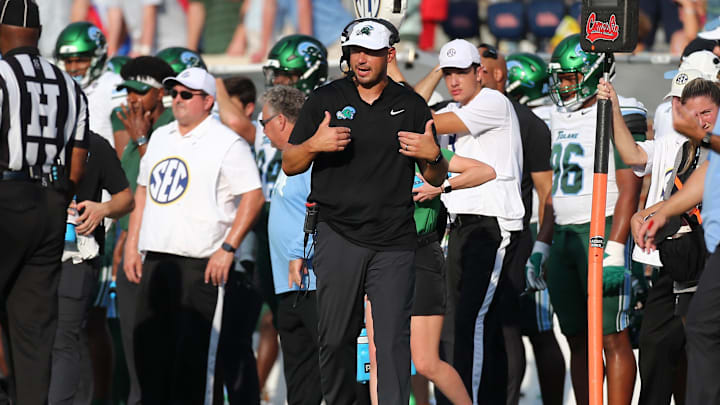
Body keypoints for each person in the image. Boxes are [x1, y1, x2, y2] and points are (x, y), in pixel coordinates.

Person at [282, 18, 448, 404]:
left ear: (388, 55)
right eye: (355, 51)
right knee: (335, 336)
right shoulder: (324, 99)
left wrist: (434, 156)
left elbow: (435, 174)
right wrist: (314, 145)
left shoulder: (410, 105)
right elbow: (291, 163)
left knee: (392, 342)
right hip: (338, 235)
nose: (361, 59)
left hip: (394, 241)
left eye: (371, 52)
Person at [123, 67, 264, 403]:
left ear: (208, 101)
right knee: (150, 357)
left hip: (201, 264)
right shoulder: (161, 136)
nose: (178, 100)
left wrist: (228, 247)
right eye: (174, 94)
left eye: (186, 95)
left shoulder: (226, 141)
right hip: (156, 259)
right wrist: (132, 244)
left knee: (195, 365)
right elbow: (142, 192)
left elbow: (253, 195)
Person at [413, 38, 524, 404]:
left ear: (480, 72)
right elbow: (413, 108)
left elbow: (415, 116)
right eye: (448, 73)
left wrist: (441, 185)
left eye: (461, 71)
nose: (454, 80)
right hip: (462, 223)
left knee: (471, 323)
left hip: (492, 222)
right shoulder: (455, 106)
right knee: (467, 323)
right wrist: (433, 71)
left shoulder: (491, 100)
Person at [600, 73, 717, 405]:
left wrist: (652, 213)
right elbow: (633, 155)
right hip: (676, 265)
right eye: (684, 107)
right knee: (655, 351)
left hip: (707, 265)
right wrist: (613, 109)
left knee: (701, 357)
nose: (699, 119)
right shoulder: (679, 148)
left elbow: (701, 189)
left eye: (706, 112)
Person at [543, 33, 646, 405]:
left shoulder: (622, 108)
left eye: (569, 77)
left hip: (600, 228)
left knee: (610, 335)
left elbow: (629, 183)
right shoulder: (558, 112)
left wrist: (617, 246)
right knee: (575, 336)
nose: (563, 86)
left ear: (591, 73)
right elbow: (554, 186)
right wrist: (543, 242)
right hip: (565, 235)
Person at [0, 1, 89, 403]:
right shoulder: (69, 83)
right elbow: (78, 157)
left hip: (6, 196)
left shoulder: (1, 74)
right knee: (34, 333)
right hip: (50, 202)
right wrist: (58, 198)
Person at [365, 144, 497, 405]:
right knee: (380, 358)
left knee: (425, 362)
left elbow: (486, 171)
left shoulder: (426, 152)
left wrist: (440, 188)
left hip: (421, 254)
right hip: (380, 257)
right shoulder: (371, 149)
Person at [481, 47, 565, 405]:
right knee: (502, 328)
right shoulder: (478, 114)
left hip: (526, 234)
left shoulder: (529, 120)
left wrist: (542, 244)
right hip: (493, 234)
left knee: (533, 330)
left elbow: (548, 190)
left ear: (501, 76)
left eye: (479, 71)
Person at [637, 78, 720, 405]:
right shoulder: (698, 147)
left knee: (700, 330)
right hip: (707, 252)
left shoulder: (705, 137)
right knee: (694, 332)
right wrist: (660, 212)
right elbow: (704, 176)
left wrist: (699, 134)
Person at [48, 130, 134, 405]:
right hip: (30, 253)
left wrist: (103, 208)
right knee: (28, 336)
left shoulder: (95, 144)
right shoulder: (25, 139)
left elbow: (126, 198)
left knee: (65, 337)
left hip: (76, 255)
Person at [112, 55, 177, 405]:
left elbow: (165, 181)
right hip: (131, 247)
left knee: (155, 348)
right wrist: (123, 238)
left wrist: (140, 140)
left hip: (160, 251)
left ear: (160, 94)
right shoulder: (137, 123)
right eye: (129, 91)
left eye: (140, 91)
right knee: (131, 341)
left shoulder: (170, 126)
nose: (132, 98)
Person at [263, 85, 323, 405]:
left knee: (333, 370)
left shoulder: (310, 157)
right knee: (300, 377)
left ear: (282, 121)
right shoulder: (290, 160)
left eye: (265, 122)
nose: (263, 131)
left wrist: (301, 253)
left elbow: (323, 209)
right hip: (289, 288)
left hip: (315, 284)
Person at [54, 22, 123, 150]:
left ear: (98, 57)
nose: (73, 68)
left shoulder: (113, 85)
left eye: (80, 60)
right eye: (68, 62)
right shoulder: (59, 88)